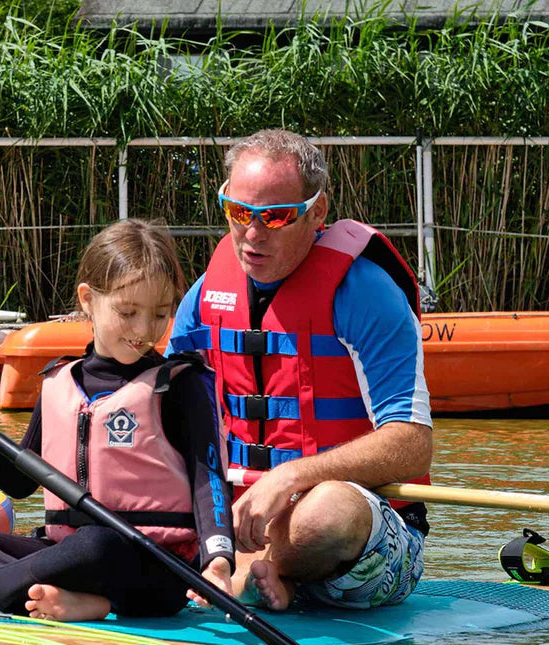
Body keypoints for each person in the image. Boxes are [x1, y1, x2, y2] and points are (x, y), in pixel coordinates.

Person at [0, 219, 235, 622]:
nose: (144, 330)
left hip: (154, 568)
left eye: (159, 314)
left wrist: (219, 558)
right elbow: (21, 481)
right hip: (67, 558)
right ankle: (70, 600)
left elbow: (210, 481)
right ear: (87, 299)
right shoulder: (60, 380)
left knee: (97, 544)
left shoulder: (179, 386)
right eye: (128, 312)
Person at [167, 129, 432, 612]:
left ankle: (254, 571)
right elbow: (159, 406)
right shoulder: (208, 294)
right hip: (230, 528)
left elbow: (412, 445)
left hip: (354, 542)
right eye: (238, 212)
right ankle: (264, 576)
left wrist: (288, 478)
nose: (252, 233)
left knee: (327, 510)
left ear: (317, 211)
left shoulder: (367, 294)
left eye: (275, 217)